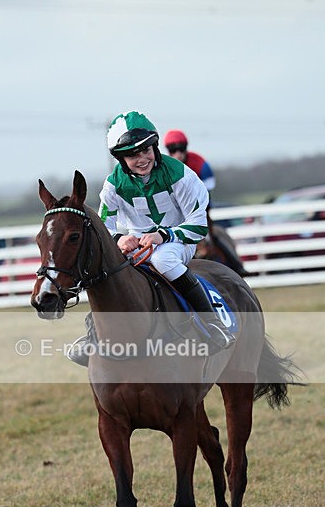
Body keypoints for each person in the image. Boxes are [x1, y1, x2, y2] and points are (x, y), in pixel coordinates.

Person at [68, 111, 235, 365]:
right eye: (132, 154)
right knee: (106, 267)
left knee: (163, 259)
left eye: (146, 149)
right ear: (120, 159)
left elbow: (199, 225)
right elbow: (104, 226)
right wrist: (117, 240)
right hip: (136, 242)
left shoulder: (179, 174)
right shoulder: (113, 184)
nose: (142, 158)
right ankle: (93, 334)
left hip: (179, 240)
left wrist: (164, 235)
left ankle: (212, 323)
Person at [163, 128, 248, 277]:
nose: (177, 154)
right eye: (172, 150)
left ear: (185, 148)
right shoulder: (164, 166)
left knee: (214, 236)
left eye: (180, 149)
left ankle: (237, 266)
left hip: (200, 207)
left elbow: (209, 185)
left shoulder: (199, 162)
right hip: (176, 210)